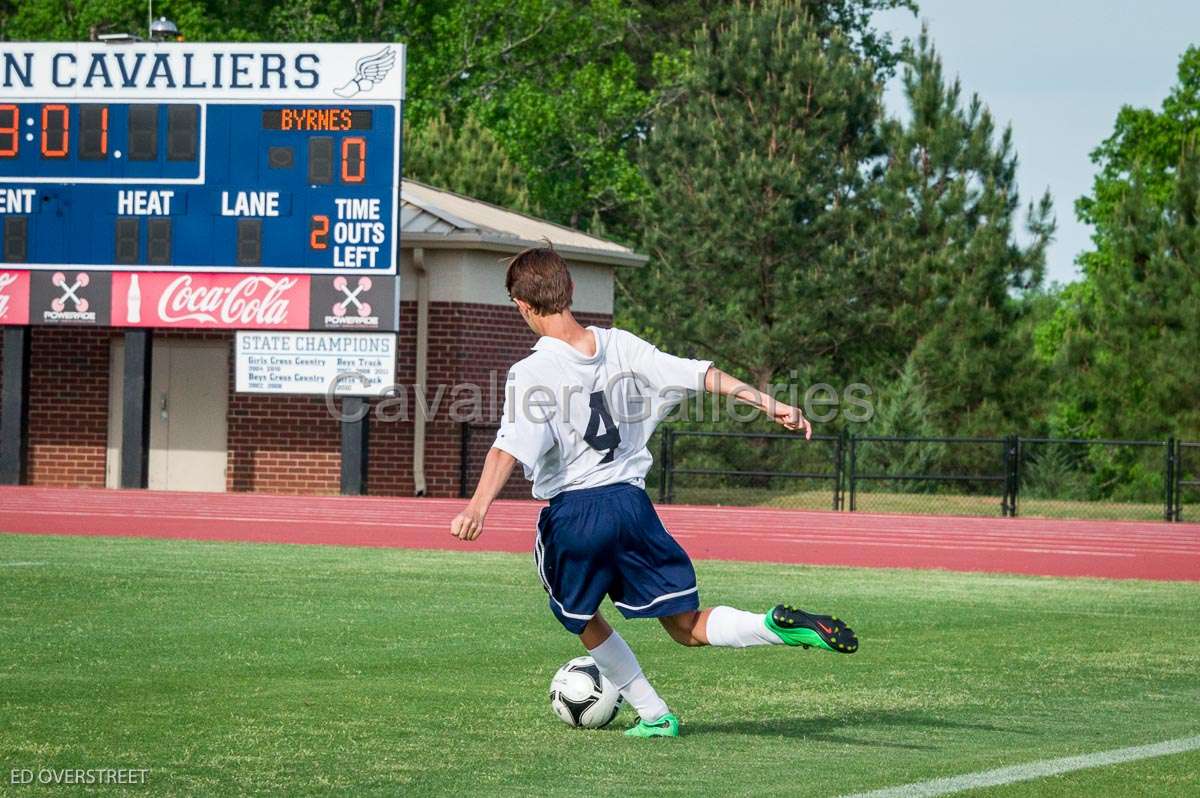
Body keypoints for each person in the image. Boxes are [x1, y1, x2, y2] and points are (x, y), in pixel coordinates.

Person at [450, 246, 858, 738]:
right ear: (571, 290)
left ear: (522, 306)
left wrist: (477, 508)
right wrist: (770, 404)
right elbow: (701, 374)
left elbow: (506, 449)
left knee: (577, 615)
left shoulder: (531, 372)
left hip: (577, 513)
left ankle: (654, 712)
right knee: (687, 627)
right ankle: (773, 625)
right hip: (632, 507)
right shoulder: (621, 345)